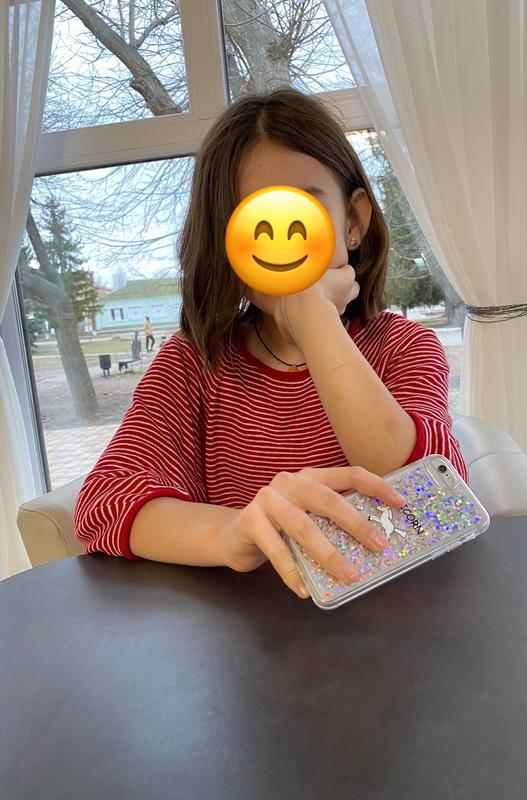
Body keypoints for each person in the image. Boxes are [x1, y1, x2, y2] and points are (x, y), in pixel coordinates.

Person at [74, 87, 468, 601]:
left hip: (401, 618)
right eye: (255, 217)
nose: (283, 238)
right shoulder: (195, 364)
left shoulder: (404, 346)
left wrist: (311, 314)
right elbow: (104, 503)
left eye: (304, 206)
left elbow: (435, 496)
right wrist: (233, 533)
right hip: (255, 634)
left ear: (353, 221)